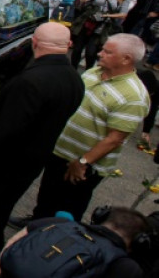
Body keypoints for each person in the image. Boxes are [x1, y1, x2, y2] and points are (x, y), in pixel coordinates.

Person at [0, 22, 85, 277]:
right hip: (34, 159)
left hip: (6, 162)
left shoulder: (32, 81)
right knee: (2, 205)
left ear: (34, 43)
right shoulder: (75, 80)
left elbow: (7, 128)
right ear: (67, 46)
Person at [13, 34, 149, 226]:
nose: (100, 53)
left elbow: (115, 138)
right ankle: (36, 224)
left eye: (107, 52)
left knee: (68, 208)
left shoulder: (134, 96)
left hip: (83, 165)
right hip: (60, 151)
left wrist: (83, 161)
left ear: (126, 59)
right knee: (47, 194)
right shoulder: (95, 72)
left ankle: (53, 246)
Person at [0, 207, 149, 278]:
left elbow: (11, 244)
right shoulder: (125, 267)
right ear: (137, 243)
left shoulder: (58, 222)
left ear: (100, 216)